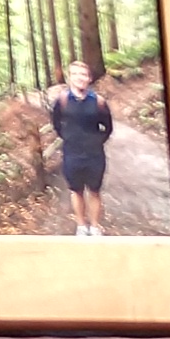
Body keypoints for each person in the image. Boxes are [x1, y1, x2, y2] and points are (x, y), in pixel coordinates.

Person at [41, 59, 117, 235]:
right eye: (75, 74)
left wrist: (96, 141)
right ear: (69, 77)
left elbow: (108, 127)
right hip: (71, 154)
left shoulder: (98, 102)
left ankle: (95, 226)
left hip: (95, 155)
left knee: (95, 191)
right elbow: (57, 124)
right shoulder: (62, 101)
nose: (79, 77)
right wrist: (69, 138)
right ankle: (82, 226)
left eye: (83, 74)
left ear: (89, 78)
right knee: (76, 191)